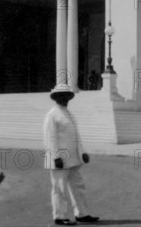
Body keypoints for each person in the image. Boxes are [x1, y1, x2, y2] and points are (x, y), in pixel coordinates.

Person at [44, 85, 100, 226]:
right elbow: (50, 138)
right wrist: (56, 157)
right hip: (59, 159)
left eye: (67, 96)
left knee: (78, 186)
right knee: (59, 188)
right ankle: (60, 216)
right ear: (56, 98)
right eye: (62, 96)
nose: (65, 99)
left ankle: (82, 214)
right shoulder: (53, 114)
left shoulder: (69, 113)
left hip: (73, 158)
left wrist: (83, 152)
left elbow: (76, 136)